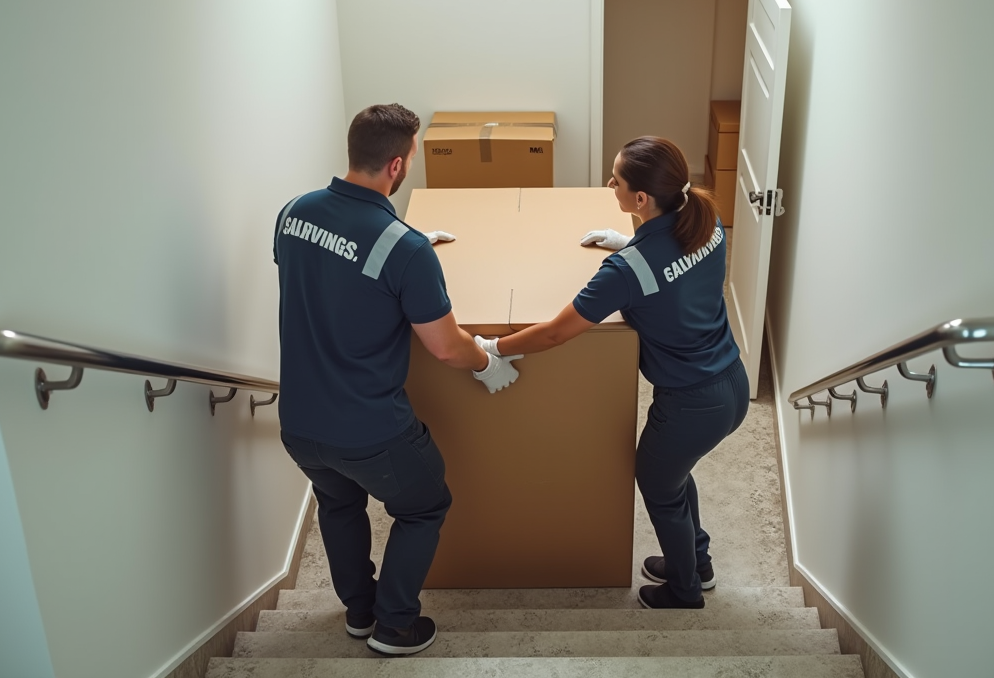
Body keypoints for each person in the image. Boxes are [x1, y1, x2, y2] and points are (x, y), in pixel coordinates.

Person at [273, 103, 522, 656]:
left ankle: (359, 613)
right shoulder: (403, 249)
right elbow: (445, 347)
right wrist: (487, 361)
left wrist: (399, 248)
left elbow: (327, 275)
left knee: (338, 505)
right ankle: (394, 625)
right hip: (370, 430)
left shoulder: (292, 213)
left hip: (301, 426)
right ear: (396, 165)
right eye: (411, 155)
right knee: (424, 505)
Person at [479, 135, 748, 610]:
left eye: (616, 179)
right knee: (676, 476)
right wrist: (632, 241)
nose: (609, 183)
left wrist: (494, 347)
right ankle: (695, 562)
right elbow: (676, 271)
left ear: (640, 198)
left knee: (660, 484)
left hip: (691, 402)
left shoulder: (626, 273)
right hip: (731, 383)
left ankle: (685, 590)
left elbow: (557, 332)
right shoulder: (707, 224)